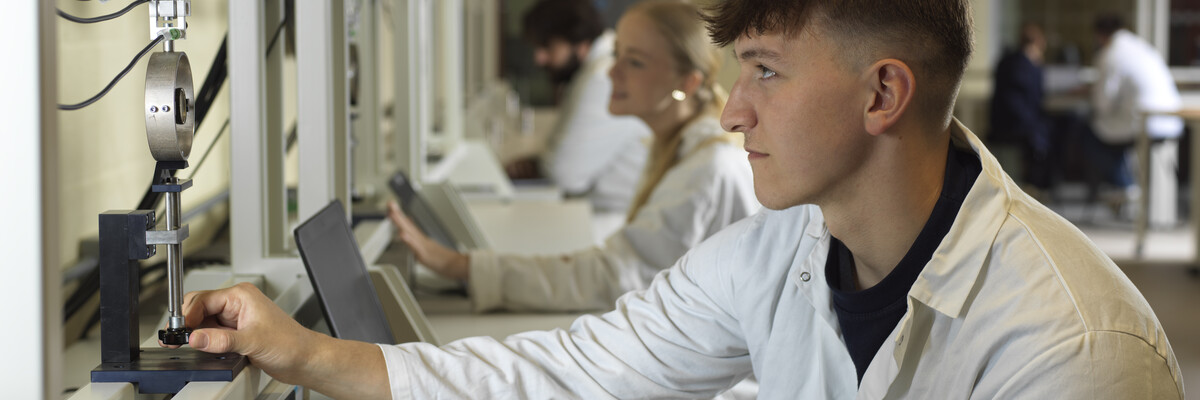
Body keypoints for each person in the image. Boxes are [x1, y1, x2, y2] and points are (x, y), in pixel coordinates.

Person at [172, 1, 1185, 398]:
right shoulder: (778, 251)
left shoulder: (1070, 351)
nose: (732, 110)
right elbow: (566, 369)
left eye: (766, 72)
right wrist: (302, 354)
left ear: (883, 92)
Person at [388, 0, 757, 313]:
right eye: (616, 55)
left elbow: (613, 276)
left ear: (686, 83)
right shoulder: (678, 145)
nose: (611, 73)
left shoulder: (706, 169)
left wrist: (464, 267)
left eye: (635, 62)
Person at [506, 0, 652, 212]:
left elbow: (566, 175)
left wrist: (540, 164)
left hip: (614, 215)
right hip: (602, 209)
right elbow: (558, 149)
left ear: (579, 42)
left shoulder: (603, 77)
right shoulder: (592, 69)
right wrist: (539, 162)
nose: (539, 58)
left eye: (547, 46)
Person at [1086, 14, 1183, 224]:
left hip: (1140, 124)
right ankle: (1127, 187)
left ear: (1100, 35)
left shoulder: (1111, 54)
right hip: (1170, 122)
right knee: (1112, 137)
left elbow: (1102, 103)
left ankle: (1123, 185)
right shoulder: (1143, 48)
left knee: (1088, 132)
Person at [989, 22, 1053, 195]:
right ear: (1038, 43)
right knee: (1048, 135)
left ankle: (1035, 187)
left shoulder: (1008, 61)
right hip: (1016, 126)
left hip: (1004, 123)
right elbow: (1028, 100)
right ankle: (1037, 187)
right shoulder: (1025, 66)